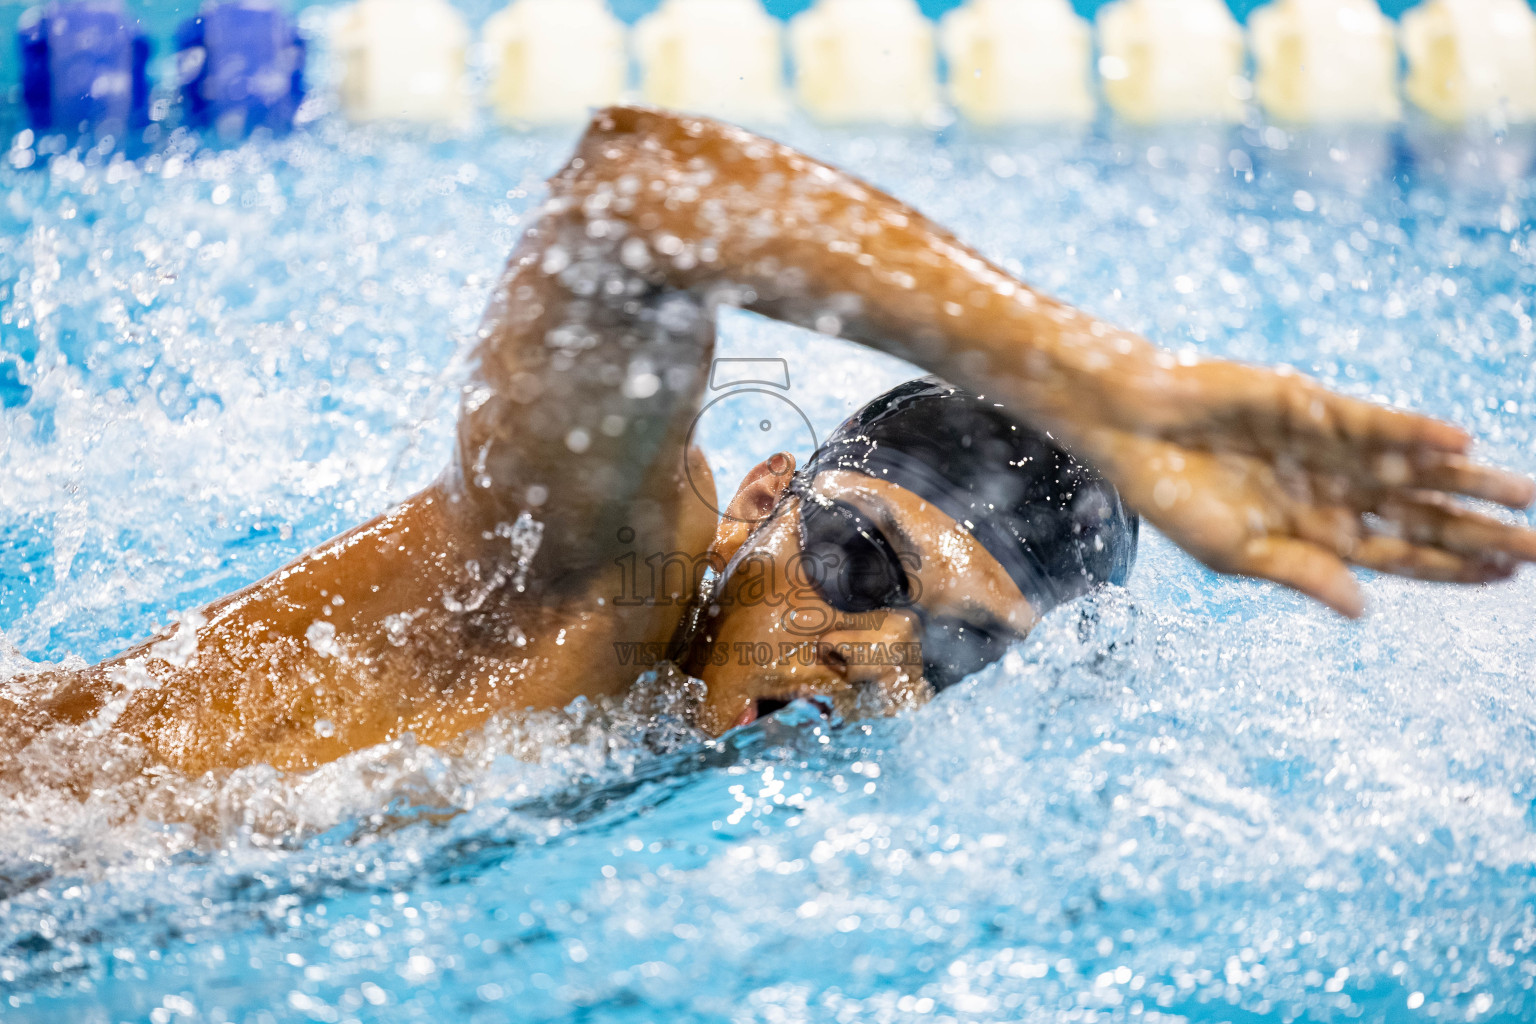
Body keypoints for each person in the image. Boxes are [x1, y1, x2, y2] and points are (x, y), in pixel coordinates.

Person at [3, 105, 1534, 780]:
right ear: (755, 498)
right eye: (862, 558)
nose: (876, 654)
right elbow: (631, 195)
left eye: (954, 652)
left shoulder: (661, 735)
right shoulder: (600, 581)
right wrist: (1111, 381)